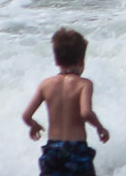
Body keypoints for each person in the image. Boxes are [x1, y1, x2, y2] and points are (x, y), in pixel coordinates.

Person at [22, 28, 111, 176]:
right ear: (81, 60)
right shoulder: (84, 84)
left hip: (53, 149)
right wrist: (100, 128)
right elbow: (86, 113)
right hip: (76, 149)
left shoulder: (46, 84)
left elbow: (26, 116)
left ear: (56, 60)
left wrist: (34, 126)